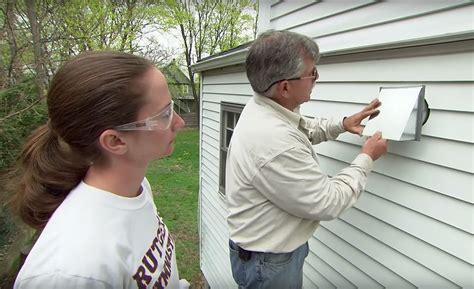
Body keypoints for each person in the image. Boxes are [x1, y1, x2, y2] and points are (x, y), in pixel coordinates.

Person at [9, 51, 190, 289]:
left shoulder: (135, 189)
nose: (179, 122)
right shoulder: (71, 272)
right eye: (164, 114)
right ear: (115, 141)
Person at [226, 30, 388, 289]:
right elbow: (327, 202)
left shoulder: (263, 107)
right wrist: (367, 157)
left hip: (262, 256)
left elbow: (301, 130)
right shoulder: (273, 140)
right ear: (285, 86)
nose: (315, 80)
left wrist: (344, 124)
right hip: (269, 265)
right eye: (312, 74)